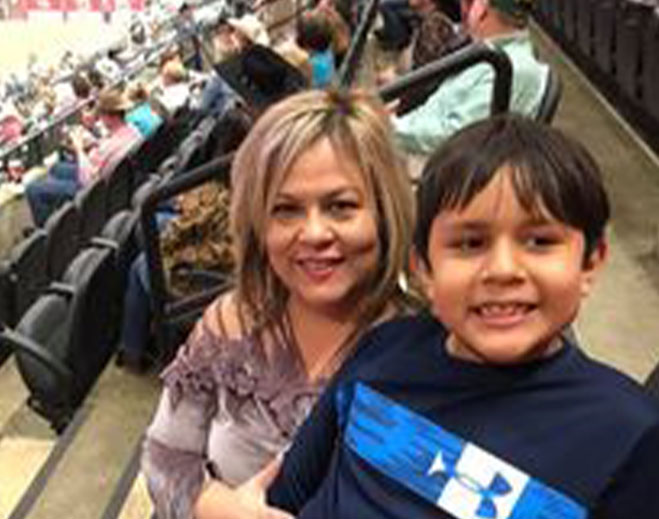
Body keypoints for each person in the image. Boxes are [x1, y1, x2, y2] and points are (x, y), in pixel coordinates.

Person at [203, 114, 659, 519]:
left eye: (539, 241)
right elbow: (286, 491)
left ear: (591, 263)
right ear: (423, 268)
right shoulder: (384, 349)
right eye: (469, 243)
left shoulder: (629, 434)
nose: (503, 270)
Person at [141, 88, 416, 519]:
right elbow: (164, 454)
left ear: (384, 211)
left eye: (340, 206)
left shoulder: (427, 351)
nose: (313, 233)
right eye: (285, 210)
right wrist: (222, 510)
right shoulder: (230, 320)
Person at [393, 0, 548, 154]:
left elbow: (456, 137)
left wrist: (387, 127)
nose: (461, 8)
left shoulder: (510, 69)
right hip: (411, 141)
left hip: (428, 163)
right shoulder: (488, 54)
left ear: (482, 9)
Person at [25, 88, 142, 226]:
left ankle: (49, 234)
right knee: (57, 169)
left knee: (33, 189)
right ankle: (64, 218)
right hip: (115, 183)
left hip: (97, 192)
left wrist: (79, 148)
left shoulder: (109, 147)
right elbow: (107, 151)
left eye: (101, 115)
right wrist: (95, 144)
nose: (99, 118)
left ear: (109, 116)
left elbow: (88, 179)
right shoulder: (134, 132)